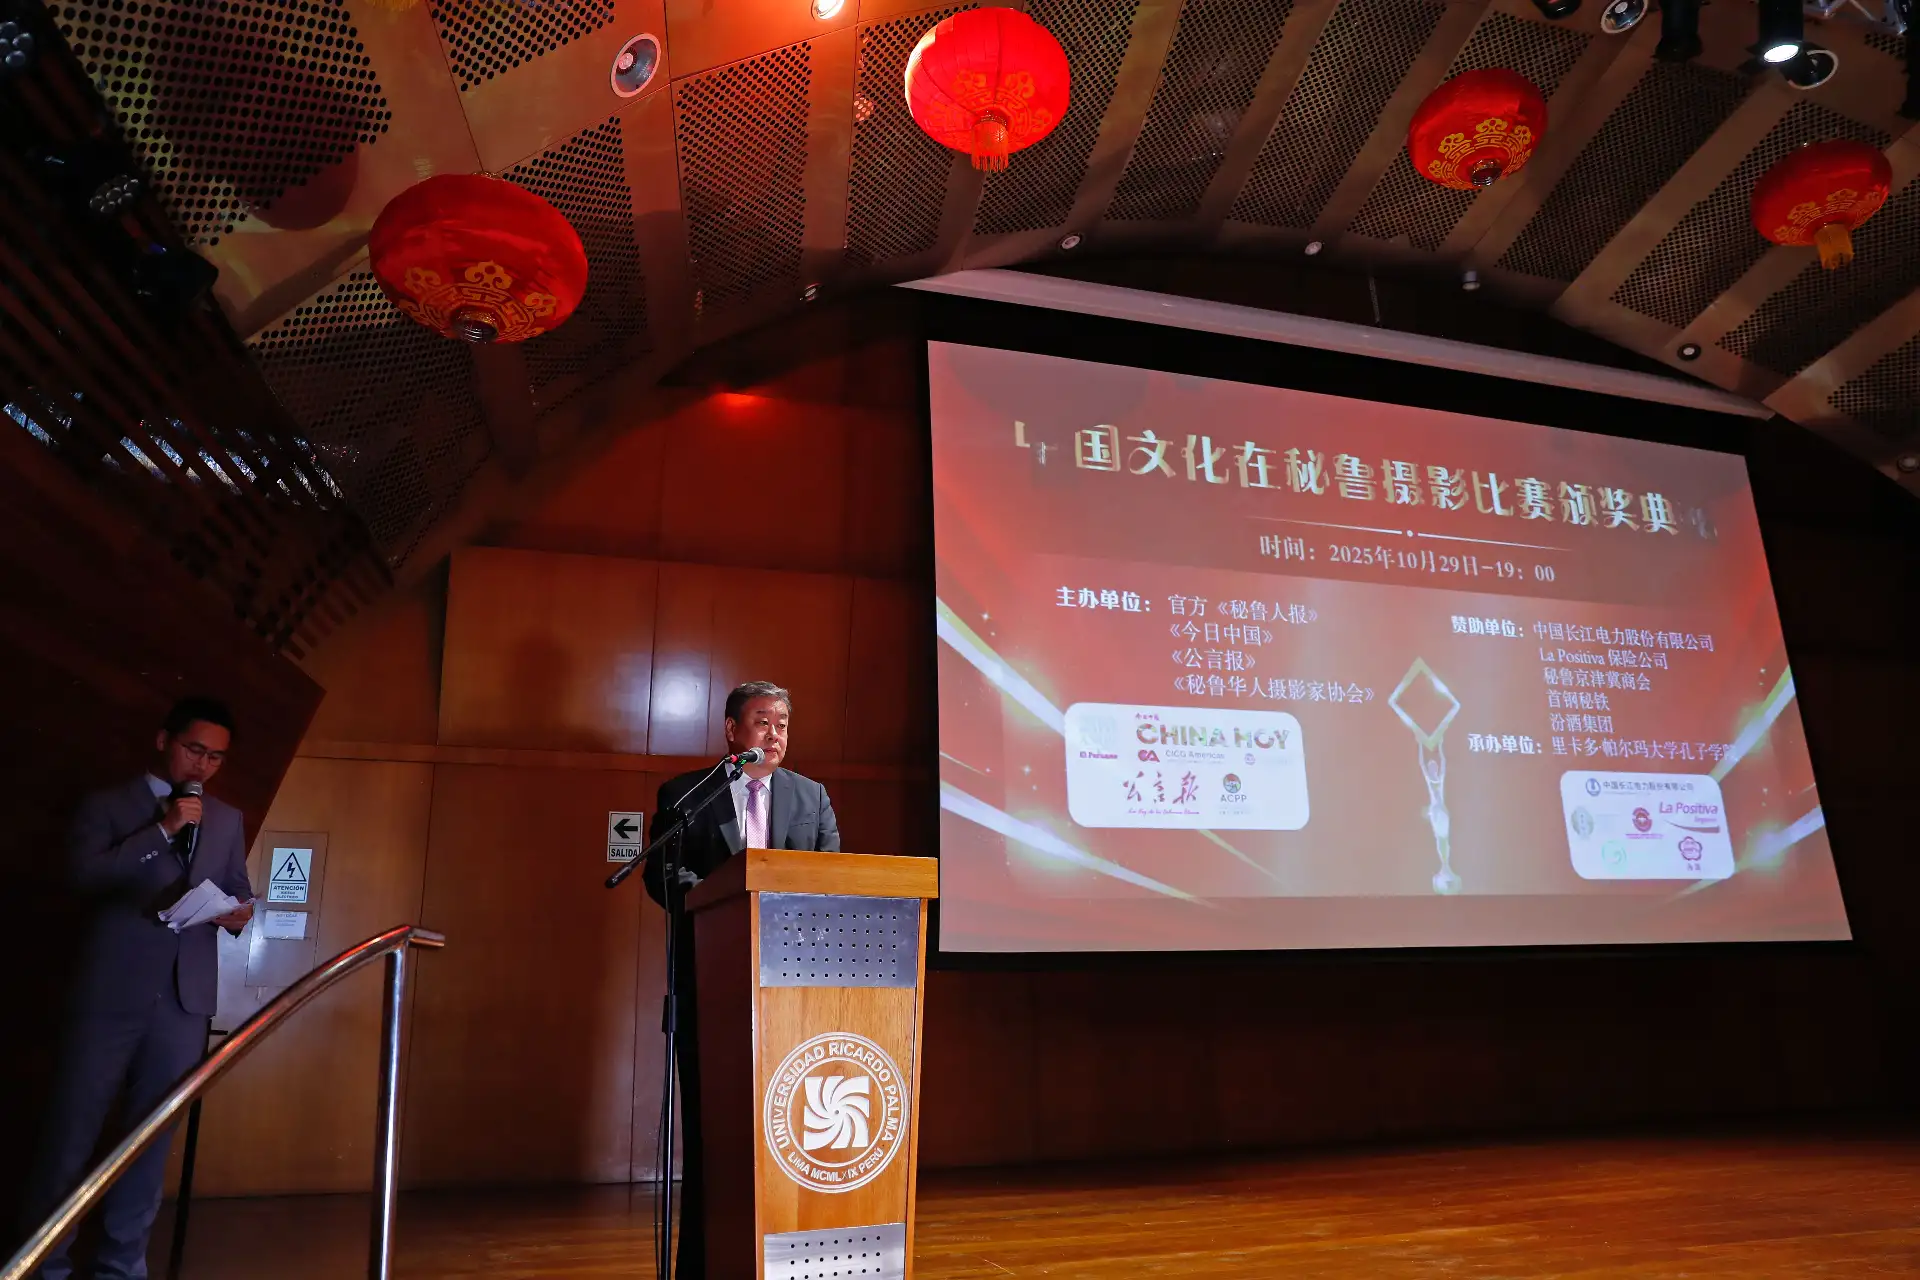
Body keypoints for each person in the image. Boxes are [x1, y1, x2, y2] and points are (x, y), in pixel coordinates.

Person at [19, 697, 255, 1280]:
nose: (202, 766)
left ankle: (122, 1268)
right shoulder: (109, 805)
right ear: (162, 741)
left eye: (216, 758)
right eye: (194, 749)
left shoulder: (226, 819)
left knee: (151, 1143)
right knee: (71, 1136)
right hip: (108, 996)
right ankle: (46, 1264)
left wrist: (236, 914)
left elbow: (238, 889)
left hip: (183, 1000)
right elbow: (84, 876)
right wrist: (164, 829)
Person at [642, 681, 840, 1279]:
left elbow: (828, 877)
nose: (774, 734)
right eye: (761, 722)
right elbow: (662, 875)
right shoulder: (687, 794)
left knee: (785, 1134)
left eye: (782, 723)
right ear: (732, 731)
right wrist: (712, 898)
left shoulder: (812, 797)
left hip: (791, 992)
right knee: (712, 1140)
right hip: (710, 988)